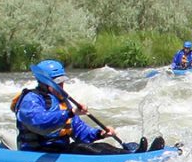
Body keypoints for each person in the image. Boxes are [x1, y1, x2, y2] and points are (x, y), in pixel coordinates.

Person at [16, 61, 160, 154]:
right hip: (36, 152)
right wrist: (70, 113)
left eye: (62, 82)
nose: (61, 86)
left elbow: (80, 132)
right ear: (44, 83)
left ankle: (131, 153)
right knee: (83, 149)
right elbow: (39, 122)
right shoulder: (31, 100)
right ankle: (131, 156)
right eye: (57, 83)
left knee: (100, 145)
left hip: (58, 150)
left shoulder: (63, 102)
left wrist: (100, 134)